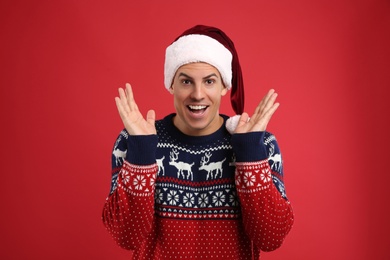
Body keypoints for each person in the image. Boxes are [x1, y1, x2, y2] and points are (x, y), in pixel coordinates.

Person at [102, 25, 294, 259]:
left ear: (225, 86)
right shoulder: (133, 141)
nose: (198, 94)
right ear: (171, 84)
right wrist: (142, 152)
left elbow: (270, 237)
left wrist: (250, 152)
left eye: (209, 81)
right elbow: (126, 236)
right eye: (186, 82)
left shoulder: (261, 145)